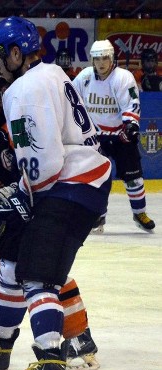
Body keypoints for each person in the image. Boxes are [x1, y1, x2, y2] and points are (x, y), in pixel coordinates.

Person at [0, 16, 112, 370]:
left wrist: (23, 196)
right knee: (20, 263)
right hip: (82, 184)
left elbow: (45, 160)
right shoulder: (53, 74)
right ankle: (4, 347)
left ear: (16, 53)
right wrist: (23, 191)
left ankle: (51, 364)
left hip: (68, 186)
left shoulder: (23, 90)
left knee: (38, 276)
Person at [0, 60, 99, 370]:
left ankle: (78, 333)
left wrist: (12, 192)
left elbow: (41, 166)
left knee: (41, 270)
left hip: (42, 198)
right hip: (14, 202)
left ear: (0, 94)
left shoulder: (22, 114)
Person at [73, 40, 155, 233]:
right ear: (92, 60)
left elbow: (131, 104)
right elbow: (73, 100)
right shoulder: (84, 77)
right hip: (94, 137)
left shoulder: (123, 78)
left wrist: (130, 126)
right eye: (97, 58)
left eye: (105, 58)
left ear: (112, 58)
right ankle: (98, 215)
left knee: (133, 177)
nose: (101, 63)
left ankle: (139, 212)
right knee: (96, 178)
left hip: (119, 136)